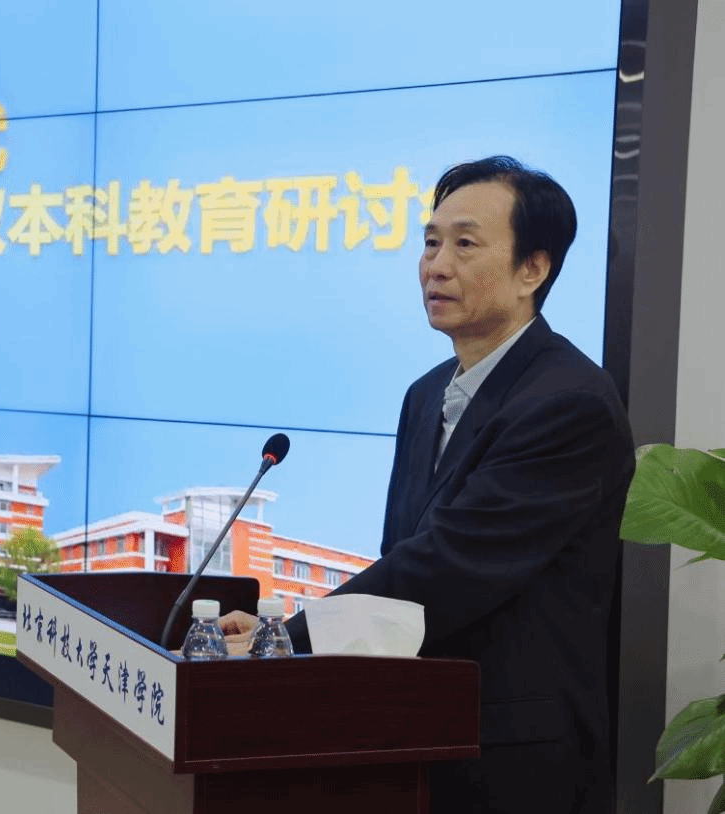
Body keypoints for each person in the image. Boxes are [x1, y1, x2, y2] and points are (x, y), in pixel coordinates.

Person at [222, 156, 634, 814]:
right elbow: (403, 553)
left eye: (464, 244)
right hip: (412, 736)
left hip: (513, 761)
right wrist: (285, 638)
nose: (436, 266)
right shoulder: (425, 395)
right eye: (431, 242)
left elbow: (446, 567)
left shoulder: (569, 402)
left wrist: (286, 640)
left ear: (533, 269)